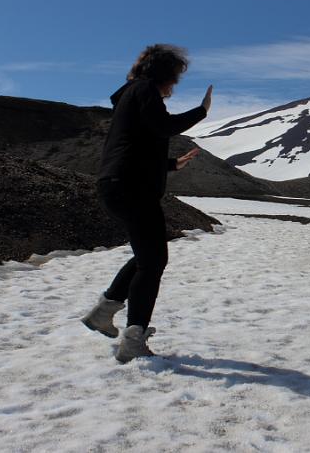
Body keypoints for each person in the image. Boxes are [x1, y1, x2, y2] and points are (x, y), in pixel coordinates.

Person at [81, 44, 212, 363]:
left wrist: (172, 164)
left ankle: (104, 311)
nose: (173, 86)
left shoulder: (130, 96)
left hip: (117, 186)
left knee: (147, 257)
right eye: (175, 77)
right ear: (165, 75)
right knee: (152, 262)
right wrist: (202, 111)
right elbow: (164, 127)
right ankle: (133, 338)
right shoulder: (144, 91)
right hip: (133, 189)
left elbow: (135, 148)